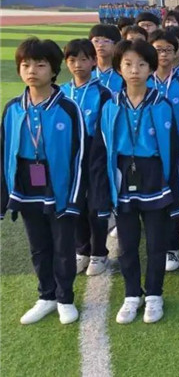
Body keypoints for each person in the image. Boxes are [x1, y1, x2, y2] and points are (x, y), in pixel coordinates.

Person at [90, 39, 179, 324]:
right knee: (127, 244)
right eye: (128, 64)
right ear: (118, 68)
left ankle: (154, 294)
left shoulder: (162, 104)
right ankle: (132, 294)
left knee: (156, 242)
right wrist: (102, 192)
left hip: (154, 176)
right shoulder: (110, 106)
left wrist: (177, 193)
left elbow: (173, 151)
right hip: (123, 177)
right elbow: (100, 152)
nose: (135, 70)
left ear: (151, 68)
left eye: (142, 64)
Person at [1, 38, 86, 325]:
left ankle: (65, 298)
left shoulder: (69, 109)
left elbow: (79, 156)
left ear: (53, 70)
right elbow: (4, 152)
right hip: (26, 183)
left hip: (58, 184)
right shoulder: (13, 108)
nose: (31, 71)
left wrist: (74, 197)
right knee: (38, 245)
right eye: (25, 65)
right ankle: (46, 296)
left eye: (40, 65)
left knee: (63, 246)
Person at [60, 39, 113, 276]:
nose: (78, 65)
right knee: (75, 204)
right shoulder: (61, 92)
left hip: (95, 152)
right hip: (68, 154)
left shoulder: (103, 92)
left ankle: (99, 253)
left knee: (96, 206)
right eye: (72, 60)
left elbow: (105, 128)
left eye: (83, 59)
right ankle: (82, 249)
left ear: (93, 61)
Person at [147, 30, 179, 272]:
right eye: (158, 50)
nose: (164, 54)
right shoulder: (142, 82)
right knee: (152, 202)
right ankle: (156, 247)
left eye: (168, 49)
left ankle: (172, 249)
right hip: (148, 154)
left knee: (174, 200)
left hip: (176, 153)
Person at [89, 24, 124, 93]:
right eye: (96, 41)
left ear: (116, 44)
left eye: (106, 41)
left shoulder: (123, 72)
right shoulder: (86, 72)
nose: (100, 45)